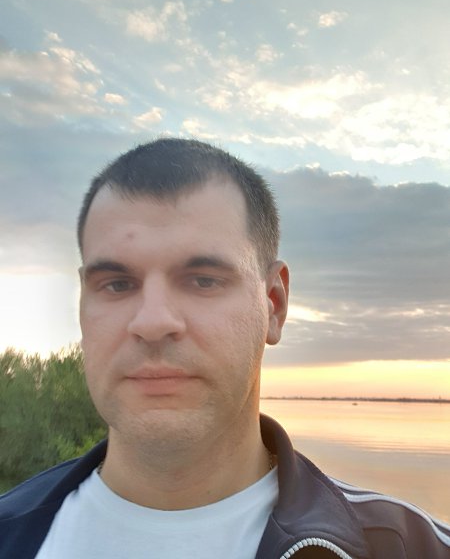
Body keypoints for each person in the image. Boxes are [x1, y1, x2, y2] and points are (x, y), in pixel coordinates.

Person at [0, 138, 449, 559]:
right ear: (83, 303)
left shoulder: (411, 546)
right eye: (117, 284)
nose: (153, 323)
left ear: (273, 305)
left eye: (203, 281)